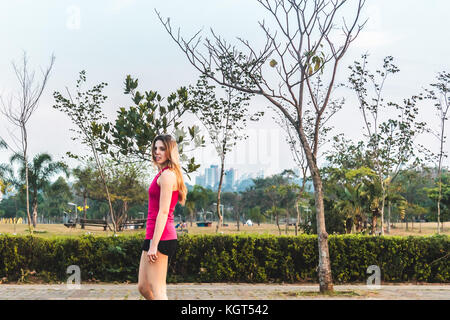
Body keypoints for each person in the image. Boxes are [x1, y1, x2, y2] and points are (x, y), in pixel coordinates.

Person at [138, 134, 187, 300]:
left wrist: (154, 245)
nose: (156, 152)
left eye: (162, 148)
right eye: (155, 148)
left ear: (170, 152)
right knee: (144, 287)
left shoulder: (167, 176)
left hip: (161, 238)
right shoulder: (162, 173)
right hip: (152, 235)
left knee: (158, 290)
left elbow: (164, 212)